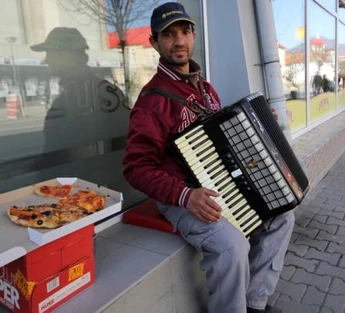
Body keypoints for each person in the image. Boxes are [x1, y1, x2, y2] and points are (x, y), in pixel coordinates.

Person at [122, 3, 294, 313]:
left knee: (282, 216)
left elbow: (221, 138)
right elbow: (135, 168)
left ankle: (254, 304)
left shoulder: (207, 89)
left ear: (194, 35)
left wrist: (257, 128)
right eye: (169, 34)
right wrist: (185, 195)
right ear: (154, 42)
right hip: (181, 195)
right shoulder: (152, 102)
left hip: (220, 184)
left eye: (185, 32)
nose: (179, 41)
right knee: (232, 246)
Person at [29, 27, 129, 171]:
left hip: (83, 184)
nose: (47, 60)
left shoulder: (67, 100)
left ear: (66, 56)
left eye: (50, 53)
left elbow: (54, 158)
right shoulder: (110, 89)